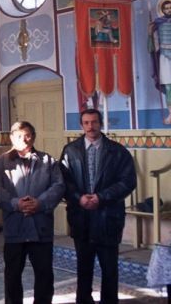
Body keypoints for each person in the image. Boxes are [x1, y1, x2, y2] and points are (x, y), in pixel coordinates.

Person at [60, 109, 137, 304]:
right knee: (83, 267)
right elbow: (64, 181)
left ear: (100, 123)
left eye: (94, 122)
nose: (90, 126)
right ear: (81, 125)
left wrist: (101, 197)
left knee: (109, 268)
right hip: (81, 218)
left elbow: (128, 181)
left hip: (108, 217)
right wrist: (79, 198)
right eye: (86, 123)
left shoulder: (117, 151)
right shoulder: (70, 150)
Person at [0, 121, 65, 304]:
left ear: (33, 137)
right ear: (12, 138)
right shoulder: (0, 164)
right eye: (19, 136)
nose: (24, 140)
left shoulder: (48, 161)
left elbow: (58, 186)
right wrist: (16, 204)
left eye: (27, 136)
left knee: (44, 275)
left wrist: (40, 203)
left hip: (41, 228)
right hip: (14, 228)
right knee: (12, 276)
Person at [148, 0, 171, 124]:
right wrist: (150, 33)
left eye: (170, 8)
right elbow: (152, 47)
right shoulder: (158, 23)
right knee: (168, 87)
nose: (169, 10)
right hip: (165, 56)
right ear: (162, 10)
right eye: (166, 8)